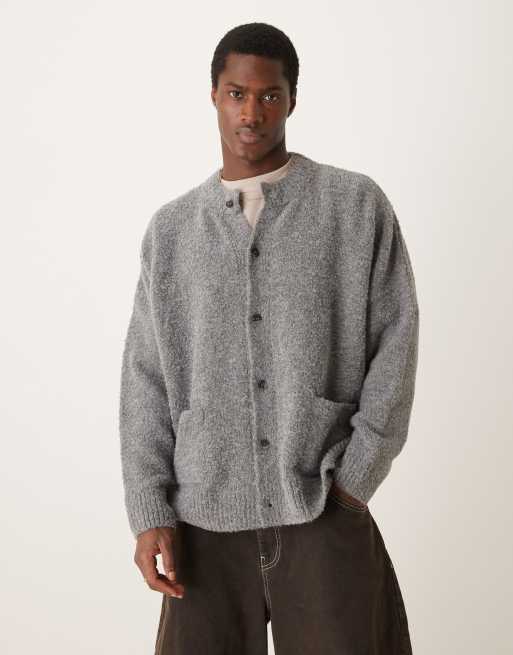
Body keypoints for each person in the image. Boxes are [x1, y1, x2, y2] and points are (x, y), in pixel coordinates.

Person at [119, 21, 419, 655]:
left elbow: (397, 342)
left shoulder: (354, 207)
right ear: (213, 95)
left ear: (291, 99)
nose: (251, 113)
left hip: (322, 508)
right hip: (202, 521)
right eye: (237, 94)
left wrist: (354, 481)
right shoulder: (171, 232)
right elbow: (146, 381)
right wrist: (149, 510)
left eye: (269, 95)